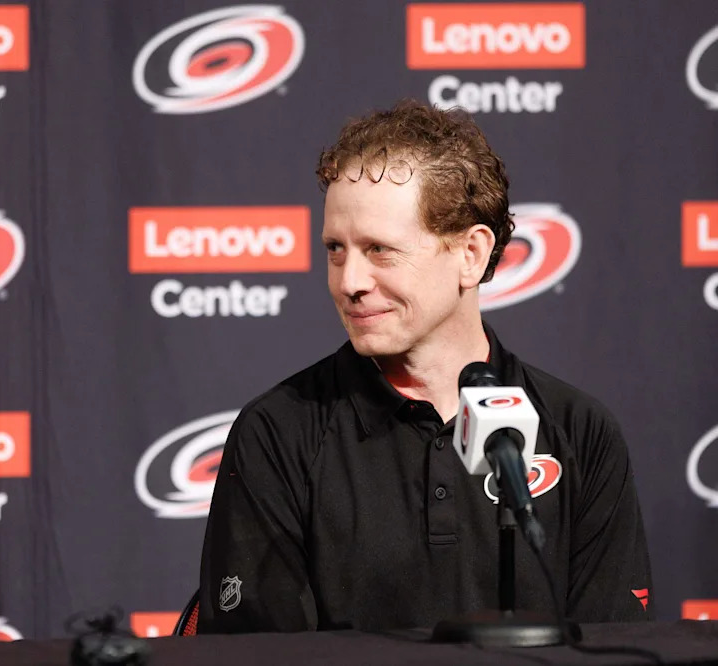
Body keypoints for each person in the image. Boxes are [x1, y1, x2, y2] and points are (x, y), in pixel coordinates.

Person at [197, 100, 653, 633]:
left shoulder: (580, 432)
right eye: (336, 250)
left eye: (380, 250)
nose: (350, 282)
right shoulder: (278, 433)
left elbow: (611, 645)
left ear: (471, 255)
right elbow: (258, 655)